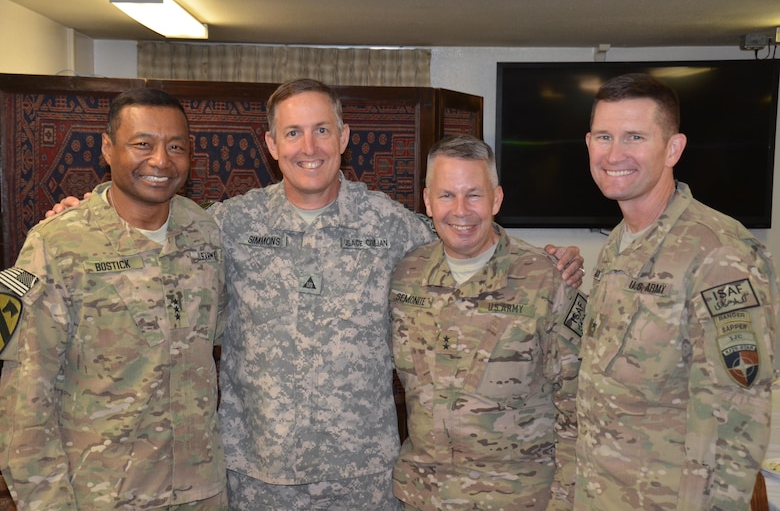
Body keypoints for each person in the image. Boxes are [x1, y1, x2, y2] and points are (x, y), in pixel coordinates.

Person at [44, 78, 585, 510]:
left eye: (322, 130)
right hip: (255, 476)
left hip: (363, 480)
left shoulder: (391, 225)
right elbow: (150, 232)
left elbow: (465, 232)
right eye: (294, 133)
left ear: (345, 138)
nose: (310, 147)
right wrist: (86, 215)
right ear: (272, 144)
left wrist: (547, 260)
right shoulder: (225, 225)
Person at [0, 88, 228, 509]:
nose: (161, 160)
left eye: (175, 146)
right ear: (108, 147)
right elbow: (23, 402)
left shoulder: (205, 233)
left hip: (202, 490)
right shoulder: (56, 245)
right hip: (104, 495)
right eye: (143, 144)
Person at [574, 72, 778, 510]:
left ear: (673, 148)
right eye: (604, 136)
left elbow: (737, 418)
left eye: (634, 137)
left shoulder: (719, 252)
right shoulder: (618, 243)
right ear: (588, 143)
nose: (614, 154)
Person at [389, 135, 585, 511]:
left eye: (474, 195)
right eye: (447, 195)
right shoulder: (405, 276)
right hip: (423, 496)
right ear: (427, 202)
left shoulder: (546, 280)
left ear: (496, 198)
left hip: (518, 498)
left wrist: (566, 500)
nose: (461, 210)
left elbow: (579, 406)